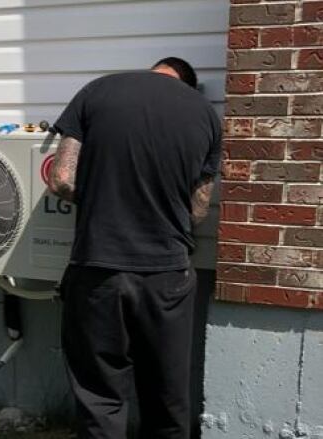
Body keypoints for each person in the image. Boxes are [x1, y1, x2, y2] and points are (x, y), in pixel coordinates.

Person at [47, 57, 221, 438]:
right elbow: (197, 211)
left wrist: (103, 200)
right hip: (167, 277)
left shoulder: (98, 91)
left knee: (100, 396)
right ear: (187, 85)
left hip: (98, 270)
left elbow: (61, 179)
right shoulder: (204, 114)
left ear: (152, 69)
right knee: (167, 397)